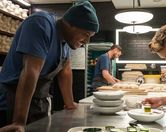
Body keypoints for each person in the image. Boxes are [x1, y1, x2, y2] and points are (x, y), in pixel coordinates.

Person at [0, 1, 99, 131]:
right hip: (13, 102)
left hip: (38, 103)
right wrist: (19, 121)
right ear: (69, 24)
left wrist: (69, 103)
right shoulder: (41, 23)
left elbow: (66, 71)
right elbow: (31, 71)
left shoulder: (65, 42)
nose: (86, 42)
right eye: (86, 35)